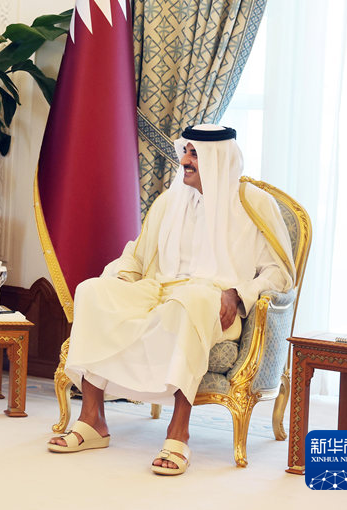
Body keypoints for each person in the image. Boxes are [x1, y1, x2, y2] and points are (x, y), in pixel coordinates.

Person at [46, 125, 294, 476]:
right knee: (92, 291)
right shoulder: (170, 199)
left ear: (217, 158)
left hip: (216, 302)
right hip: (159, 290)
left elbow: (278, 273)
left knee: (188, 301)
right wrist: (116, 281)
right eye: (186, 152)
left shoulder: (254, 204)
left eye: (195, 154)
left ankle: (178, 431)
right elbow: (137, 255)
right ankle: (92, 421)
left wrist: (238, 294)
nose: (186, 161)